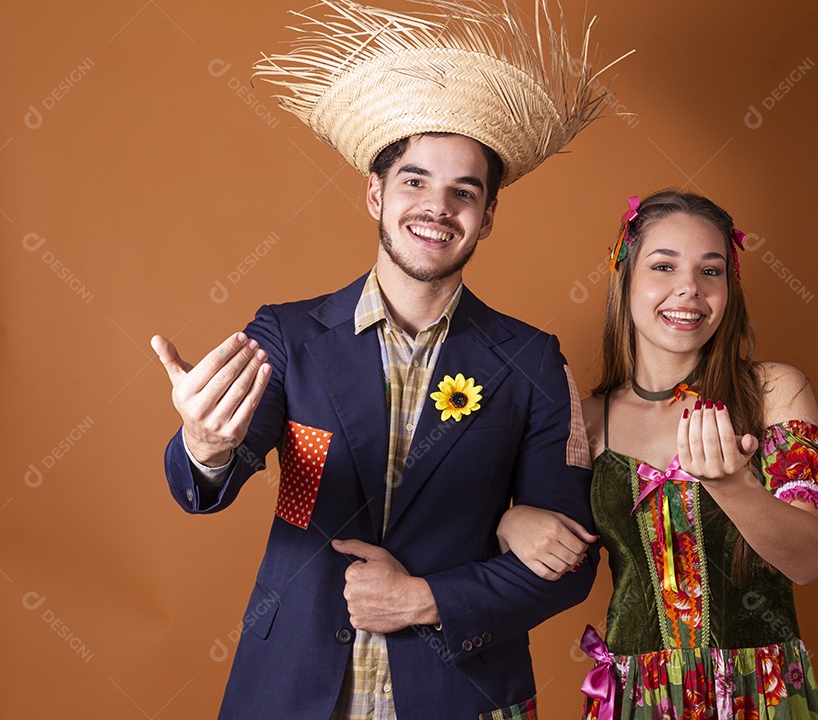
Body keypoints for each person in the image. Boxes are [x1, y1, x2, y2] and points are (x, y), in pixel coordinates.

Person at [150, 1, 627, 717]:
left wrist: (422, 600)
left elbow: (568, 566)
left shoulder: (532, 361)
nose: (438, 207)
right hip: (290, 687)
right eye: (415, 180)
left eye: (464, 192)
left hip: (461, 693)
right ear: (375, 192)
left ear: (488, 216)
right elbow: (222, 467)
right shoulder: (288, 335)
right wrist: (206, 445)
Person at [498, 190, 818, 719]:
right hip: (640, 698)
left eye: (711, 272)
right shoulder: (585, 419)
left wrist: (733, 485)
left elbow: (807, 560)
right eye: (664, 266)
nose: (689, 289)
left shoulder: (773, 391)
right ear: (626, 278)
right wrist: (511, 519)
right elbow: (543, 545)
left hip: (762, 695)